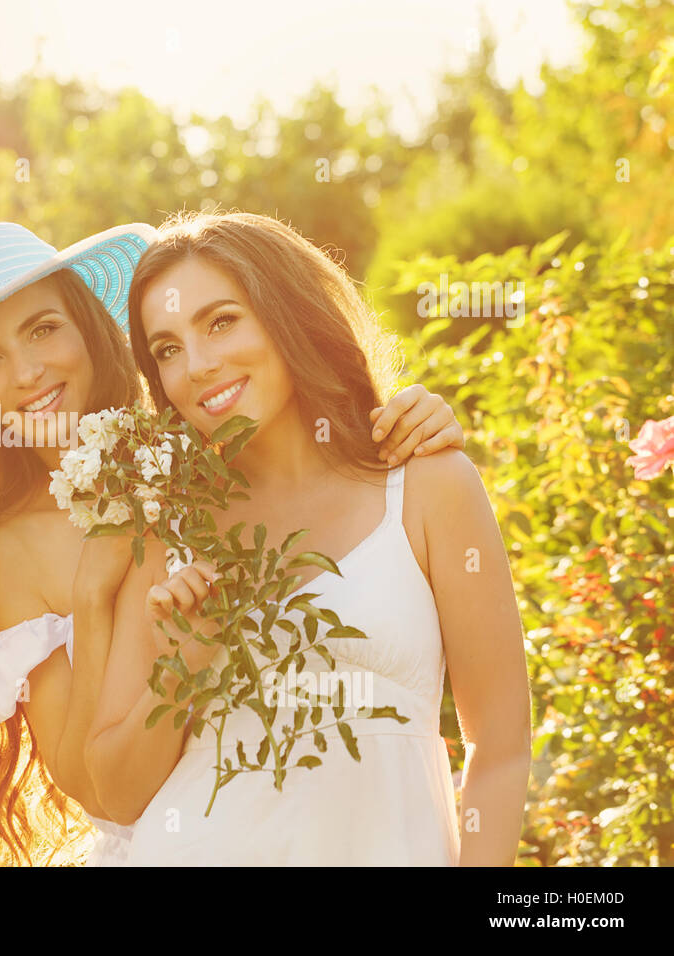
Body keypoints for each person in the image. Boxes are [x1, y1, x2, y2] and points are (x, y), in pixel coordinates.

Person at [0, 220, 467, 866]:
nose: (27, 372)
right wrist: (93, 594)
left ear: (87, 327)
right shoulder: (11, 550)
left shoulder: (190, 447)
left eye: (42, 328)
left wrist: (411, 412)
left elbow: (313, 467)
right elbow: (94, 790)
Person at [83, 211, 532, 865]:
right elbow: (116, 797)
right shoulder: (168, 529)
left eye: (221, 321)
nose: (199, 365)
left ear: (286, 313)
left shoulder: (427, 484)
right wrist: (184, 669)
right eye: (168, 349)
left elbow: (499, 748)